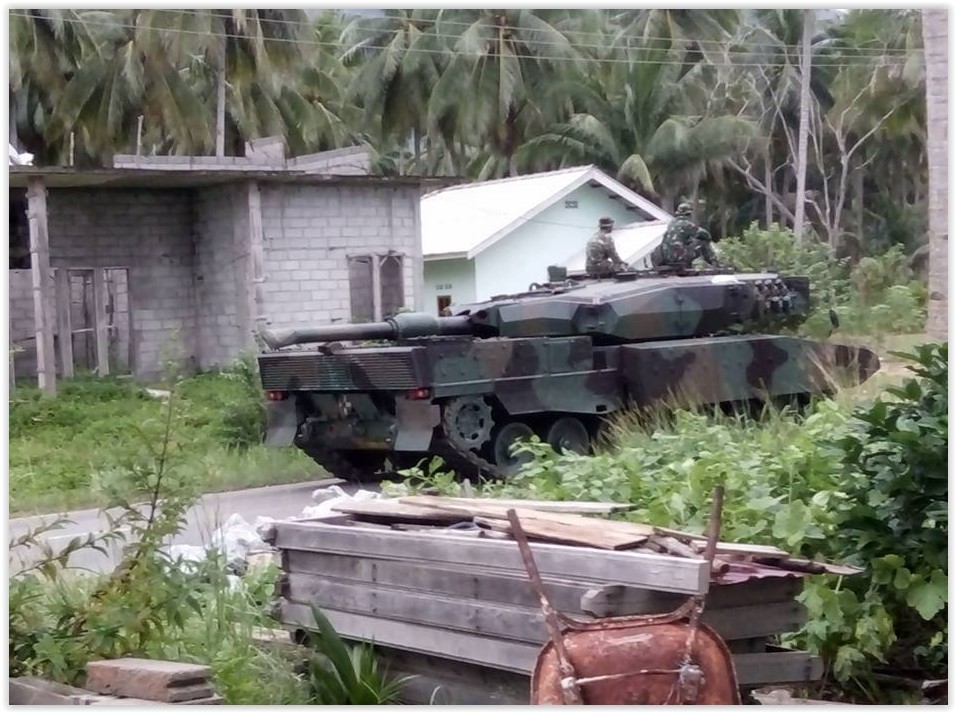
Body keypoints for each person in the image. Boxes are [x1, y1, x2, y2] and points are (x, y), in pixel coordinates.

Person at [652, 202, 719, 270]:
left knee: (687, 242)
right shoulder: (686, 224)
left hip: (667, 258)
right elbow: (706, 235)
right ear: (689, 214)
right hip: (680, 257)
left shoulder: (671, 224)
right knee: (702, 241)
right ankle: (714, 264)